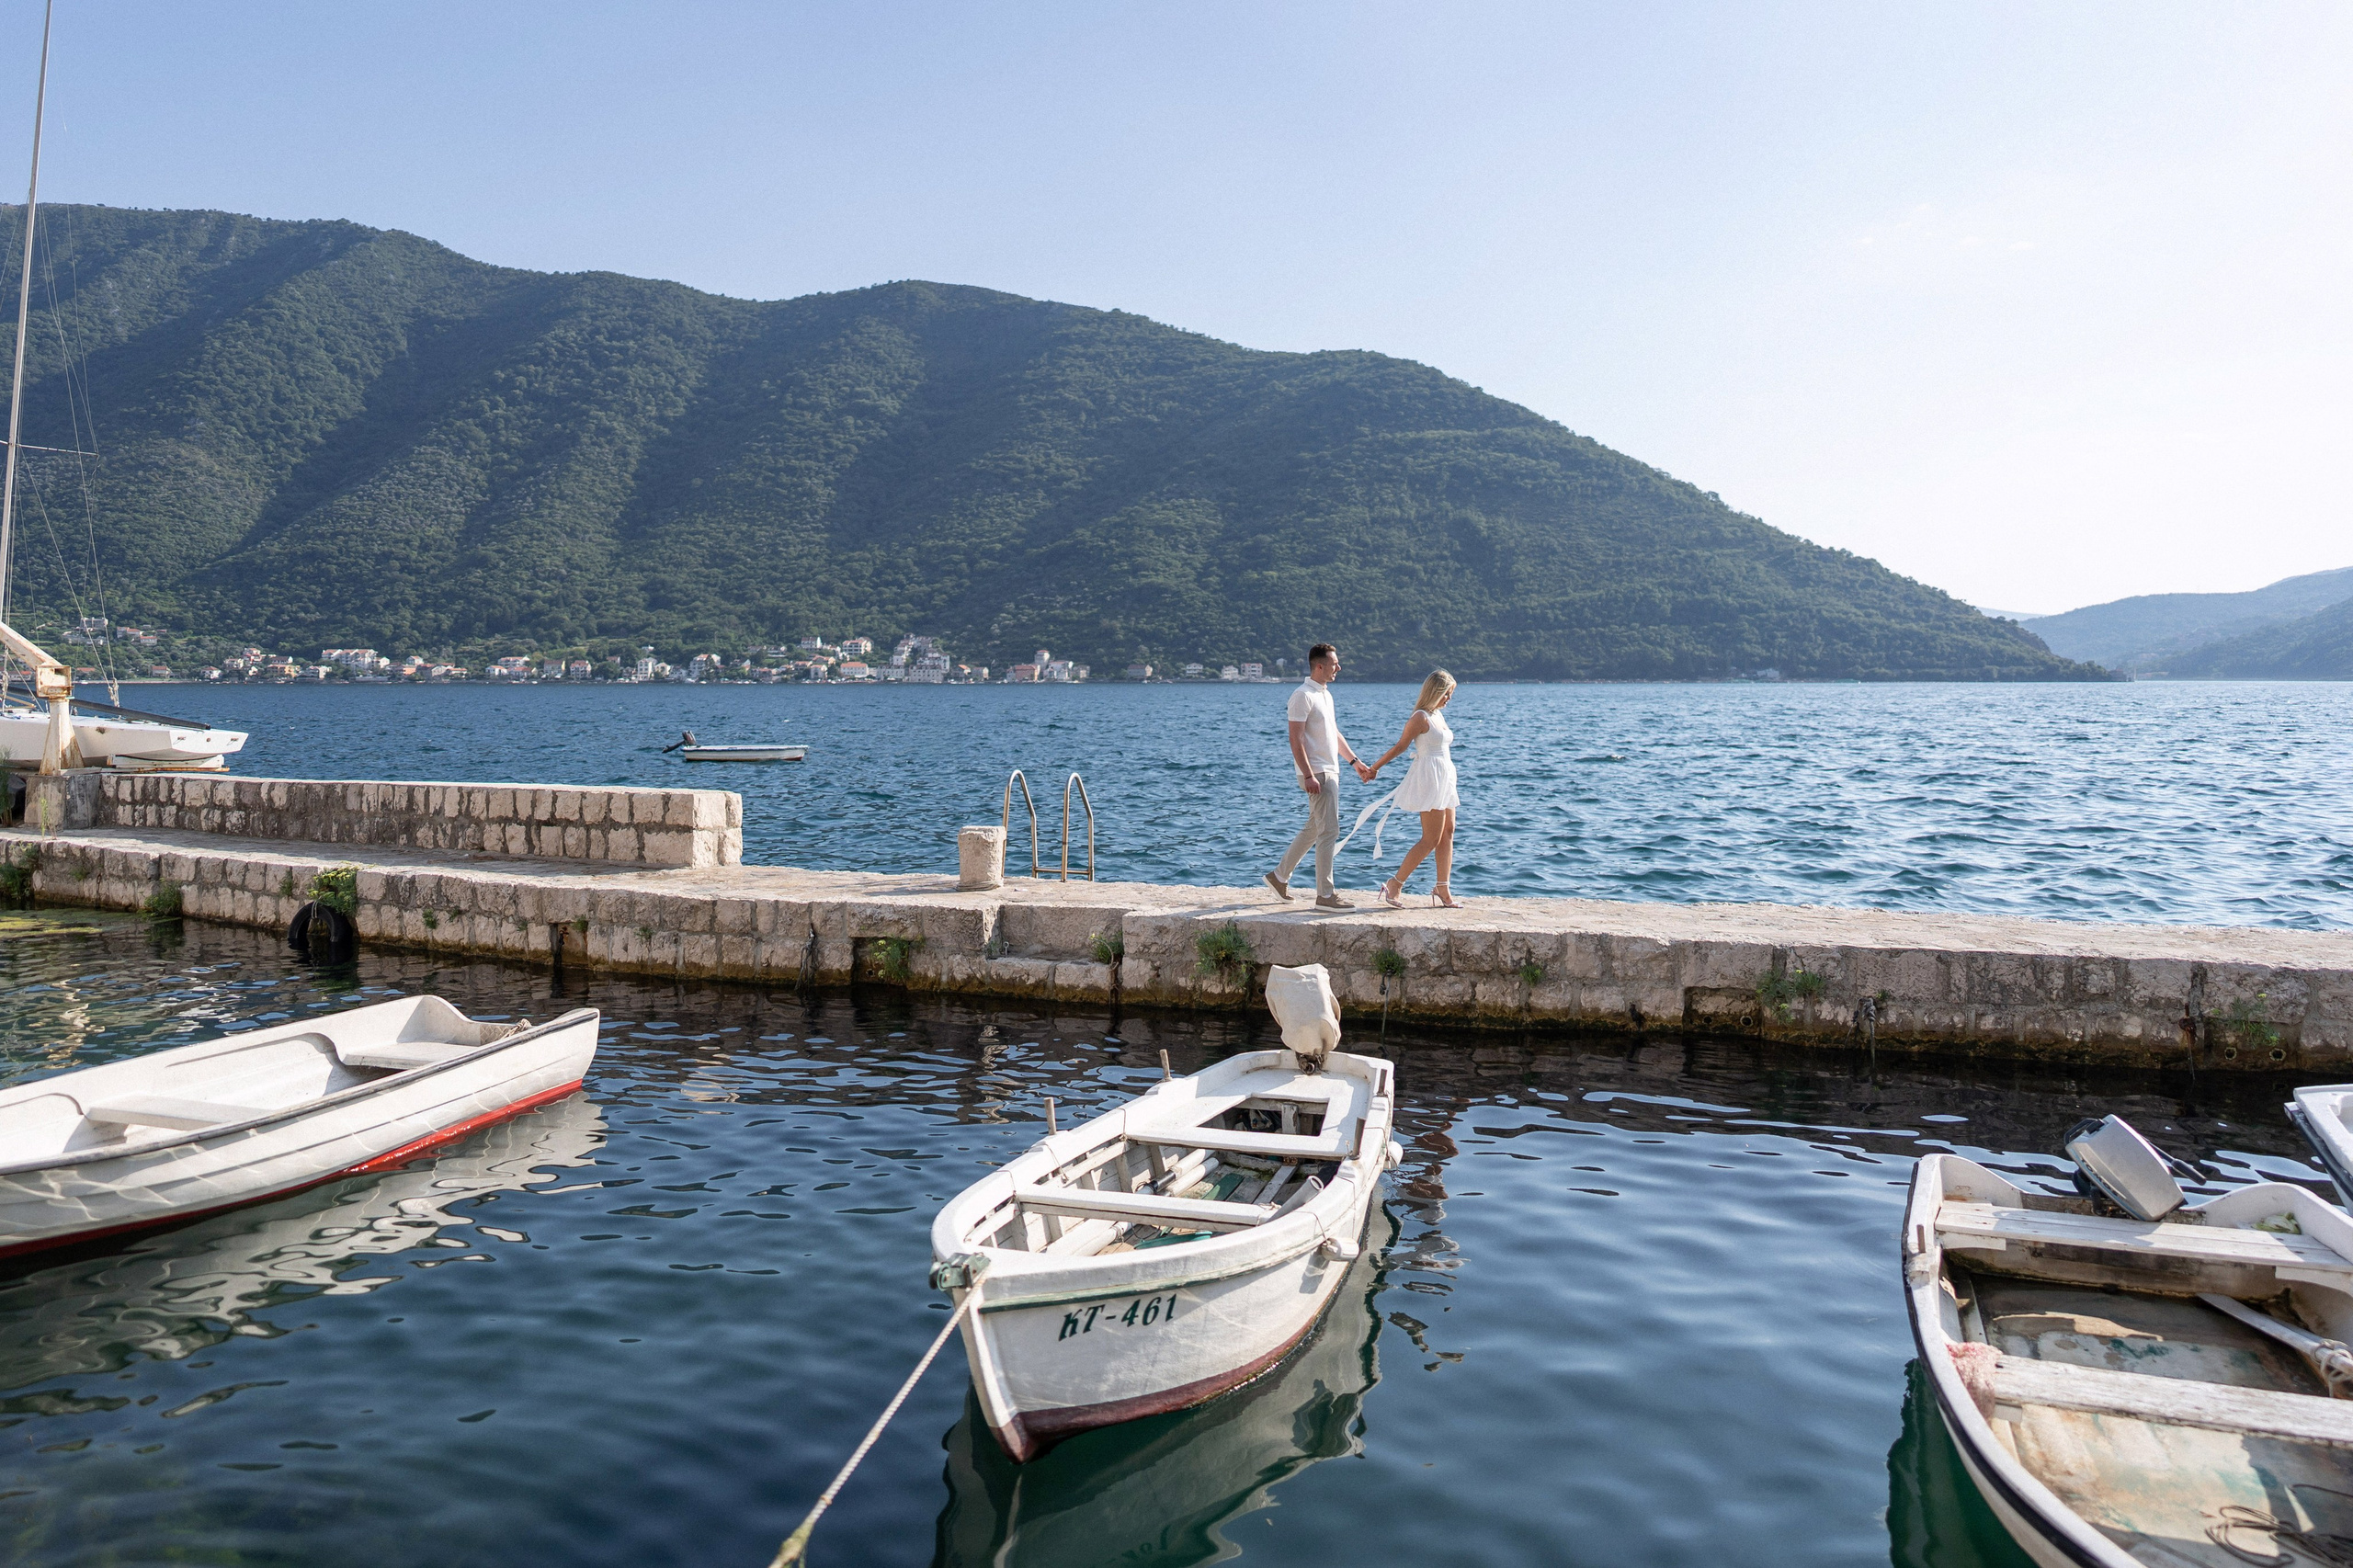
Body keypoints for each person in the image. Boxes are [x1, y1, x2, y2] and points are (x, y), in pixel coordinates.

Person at [1265, 642, 1371, 909]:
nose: (1339, 667)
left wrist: (1354, 761)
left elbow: (1333, 733)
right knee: (1329, 831)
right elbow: (1295, 739)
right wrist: (1309, 775)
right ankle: (1325, 895)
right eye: (1335, 663)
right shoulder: (1302, 695)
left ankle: (1278, 877)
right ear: (1320, 666)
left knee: (1314, 828)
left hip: (1329, 769)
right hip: (1318, 774)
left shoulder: (1324, 694)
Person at [1360, 669, 1461, 907]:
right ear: (1435, 691)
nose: (1449, 699)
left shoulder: (1437, 715)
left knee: (1448, 832)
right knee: (1431, 838)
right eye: (1447, 693)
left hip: (1445, 776)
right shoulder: (1420, 717)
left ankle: (1442, 888)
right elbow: (1400, 747)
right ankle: (1395, 884)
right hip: (1430, 778)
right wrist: (1374, 768)